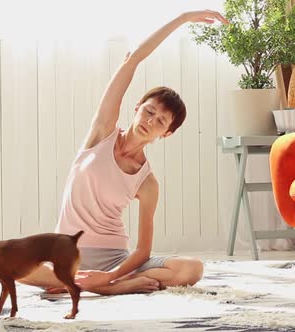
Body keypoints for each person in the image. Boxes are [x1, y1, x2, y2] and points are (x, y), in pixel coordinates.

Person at [20, 10, 229, 295]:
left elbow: (143, 250)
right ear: (137, 109)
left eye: (161, 121)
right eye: (149, 111)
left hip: (115, 258)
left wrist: (110, 276)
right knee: (10, 260)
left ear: (166, 134)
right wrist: (184, 18)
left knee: (193, 268)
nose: (150, 121)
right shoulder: (102, 133)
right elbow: (134, 59)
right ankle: (106, 287)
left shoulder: (147, 182)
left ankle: (103, 285)